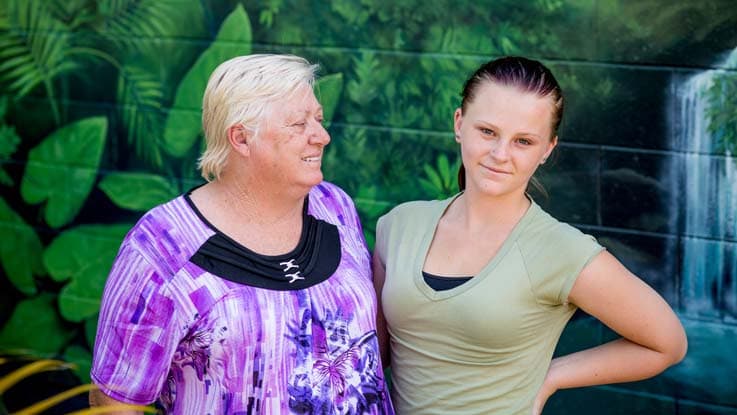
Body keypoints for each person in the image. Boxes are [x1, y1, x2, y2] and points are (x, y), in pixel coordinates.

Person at [372, 56, 687, 415]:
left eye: (523, 141)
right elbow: (375, 356)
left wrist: (552, 375)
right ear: (459, 124)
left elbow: (668, 344)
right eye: (487, 131)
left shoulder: (562, 251)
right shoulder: (398, 225)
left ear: (547, 150)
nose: (500, 154)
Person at [89, 54, 394, 414]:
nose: (322, 137)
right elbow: (113, 403)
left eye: (319, 119)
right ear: (241, 139)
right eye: (298, 124)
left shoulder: (334, 207)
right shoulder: (161, 247)